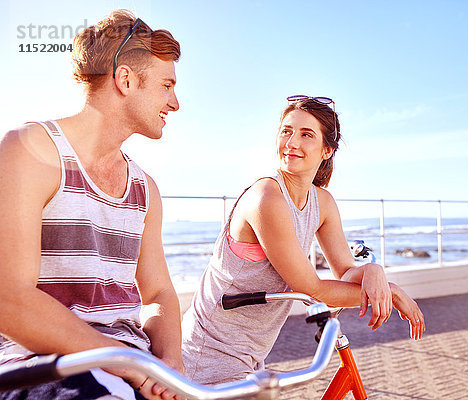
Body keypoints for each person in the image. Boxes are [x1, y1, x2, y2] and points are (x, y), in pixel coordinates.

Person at [0, 10, 183, 400]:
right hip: (41, 364)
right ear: (126, 80)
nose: (175, 102)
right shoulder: (28, 151)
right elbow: (9, 298)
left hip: (132, 365)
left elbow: (158, 294)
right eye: (167, 86)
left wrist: (170, 365)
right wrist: (126, 362)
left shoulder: (145, 188)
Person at [181, 95, 425, 385]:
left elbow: (345, 271)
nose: (292, 142)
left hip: (251, 355)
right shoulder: (266, 197)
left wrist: (375, 272)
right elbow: (312, 289)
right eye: (286, 131)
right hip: (210, 353)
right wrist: (392, 294)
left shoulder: (322, 202)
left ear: (326, 150)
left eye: (306, 134)